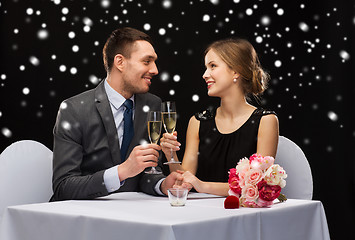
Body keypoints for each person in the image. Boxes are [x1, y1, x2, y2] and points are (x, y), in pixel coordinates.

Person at [50, 27, 181, 201]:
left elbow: (148, 172)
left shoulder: (153, 104)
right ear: (120, 62)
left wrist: (162, 185)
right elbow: (63, 187)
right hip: (84, 218)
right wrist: (121, 172)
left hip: (135, 215)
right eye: (146, 61)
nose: (155, 70)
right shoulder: (73, 110)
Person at [160, 38, 279, 196]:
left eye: (213, 66)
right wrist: (171, 154)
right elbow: (184, 181)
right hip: (202, 213)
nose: (204, 75)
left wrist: (203, 186)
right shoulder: (198, 122)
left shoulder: (266, 121)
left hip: (243, 215)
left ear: (236, 71)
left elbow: (257, 186)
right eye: (206, 67)